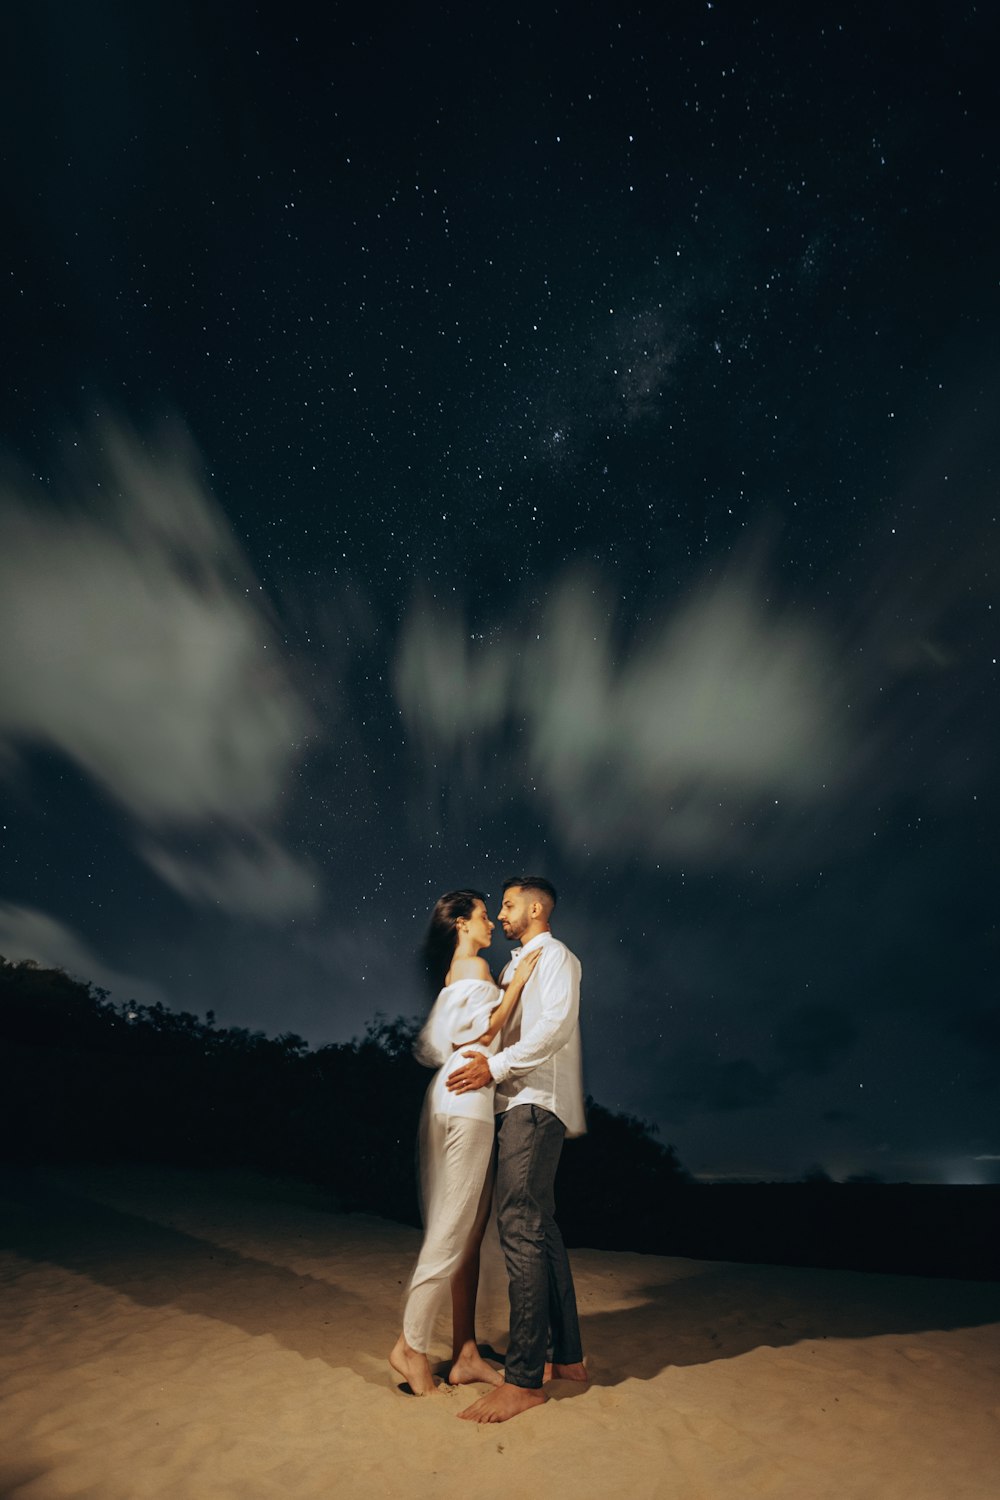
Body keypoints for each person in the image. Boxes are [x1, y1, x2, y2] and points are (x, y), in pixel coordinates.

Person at [446, 875, 588, 1423]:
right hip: (522, 1101)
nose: (501, 914)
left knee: (519, 1225)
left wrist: (496, 1067)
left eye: (507, 905)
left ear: (535, 908)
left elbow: (554, 1027)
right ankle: (567, 1359)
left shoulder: (554, 957)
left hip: (531, 1100)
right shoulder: (519, 963)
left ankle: (524, 1380)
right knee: (541, 1226)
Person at [390, 889, 541, 1396]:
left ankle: (465, 1353)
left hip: (452, 1096)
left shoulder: (458, 974)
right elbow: (482, 1035)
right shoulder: (474, 969)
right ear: (460, 924)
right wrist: (517, 983)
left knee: (465, 1227)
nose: (491, 924)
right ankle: (410, 1345)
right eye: (482, 915)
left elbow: (455, 1040)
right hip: (468, 1101)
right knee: (453, 1231)